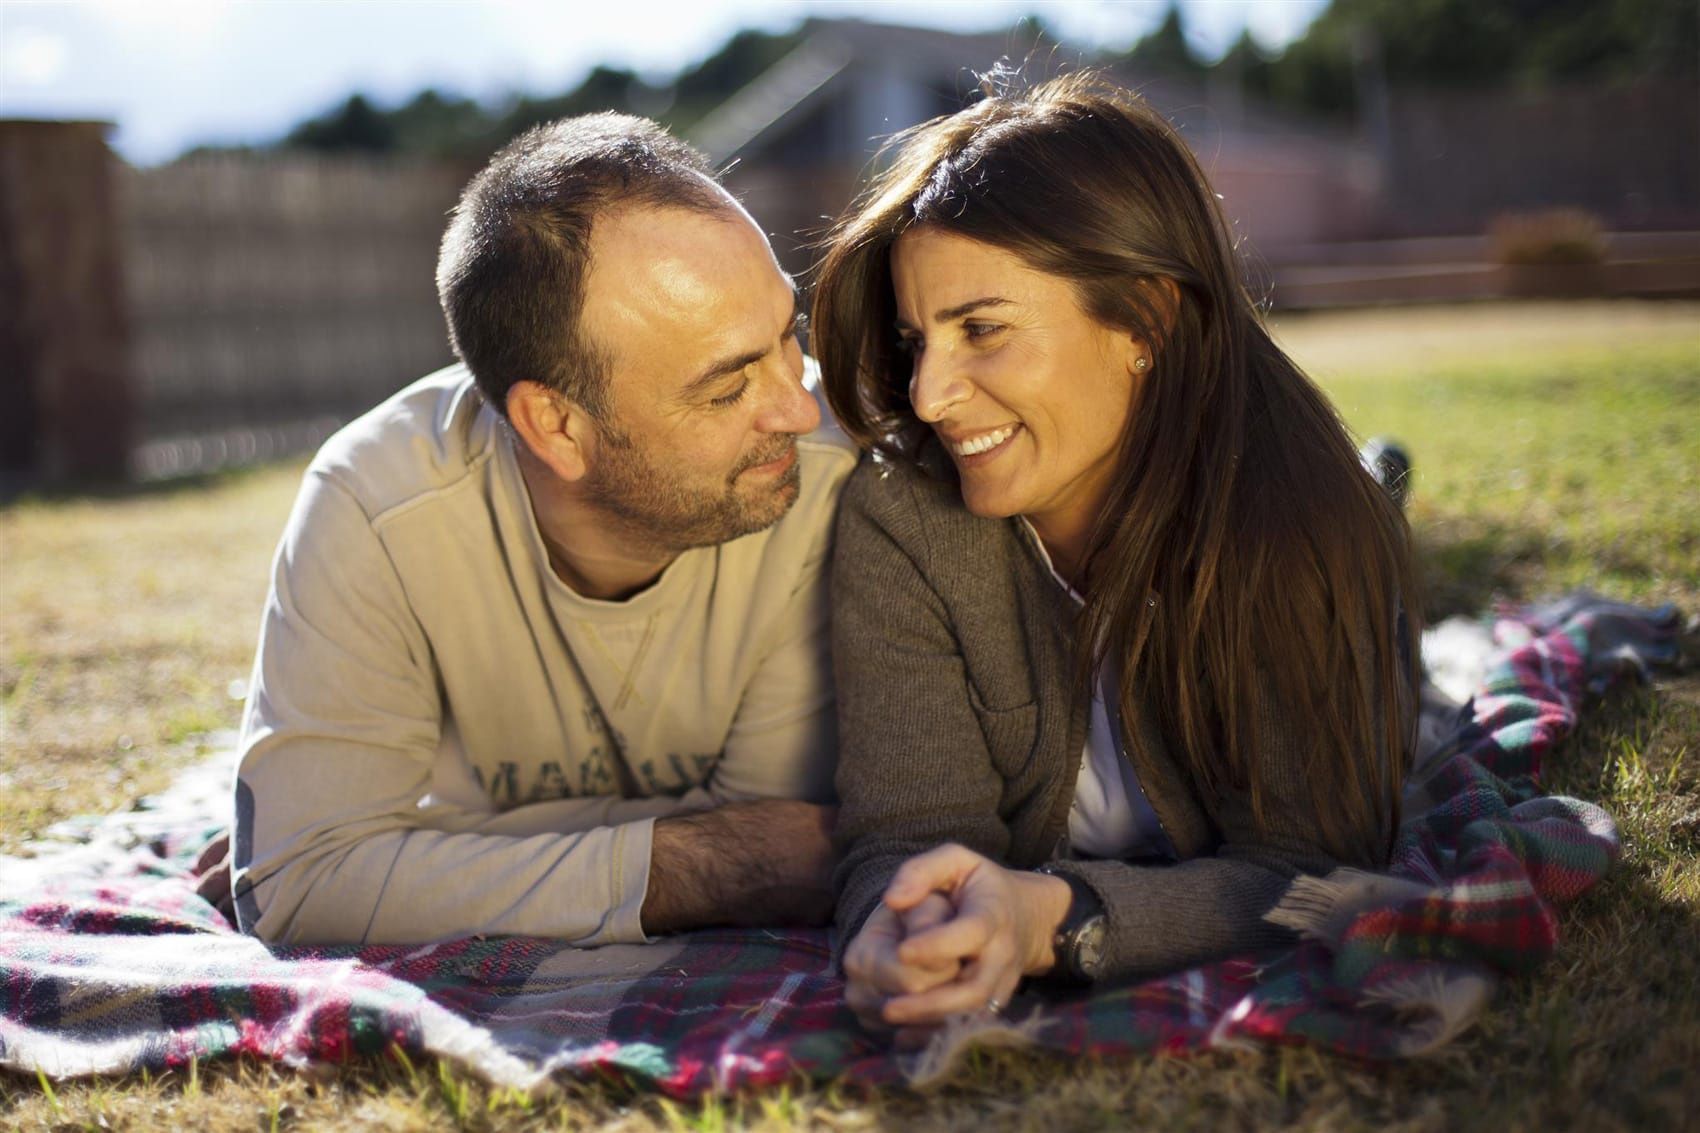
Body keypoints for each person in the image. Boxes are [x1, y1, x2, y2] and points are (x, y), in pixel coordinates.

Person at [810, 74, 1421, 1041]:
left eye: (983, 329)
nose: (927, 395)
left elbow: (1314, 869)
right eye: (916, 339)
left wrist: (1056, 923)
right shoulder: (902, 516)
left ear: (1145, 320)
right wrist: (910, 921)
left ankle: (1380, 474)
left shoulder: (1294, 529)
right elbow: (906, 836)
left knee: (1371, 485)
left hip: (1322, 507)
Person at [221, 113, 855, 946]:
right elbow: (300, 885)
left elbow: (798, 826)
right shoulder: (376, 503)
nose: (798, 404)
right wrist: (711, 859)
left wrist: (420, 853)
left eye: (786, 335)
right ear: (555, 424)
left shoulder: (831, 473)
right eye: (727, 386)